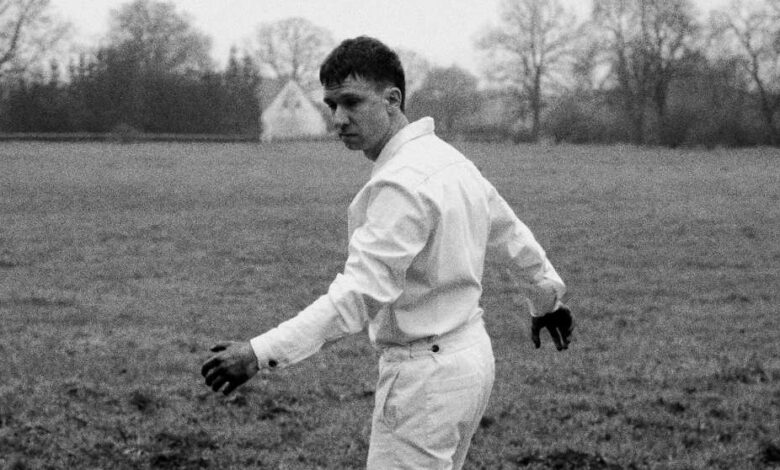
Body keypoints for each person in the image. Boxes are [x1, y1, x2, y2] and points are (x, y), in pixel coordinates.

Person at [201, 36, 573, 470]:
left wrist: (258, 352)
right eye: (331, 105)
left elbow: (359, 295)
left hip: (425, 380)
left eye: (351, 103)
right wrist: (547, 301)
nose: (338, 119)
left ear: (392, 99)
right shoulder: (449, 161)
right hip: (469, 363)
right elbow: (514, 237)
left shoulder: (402, 183)